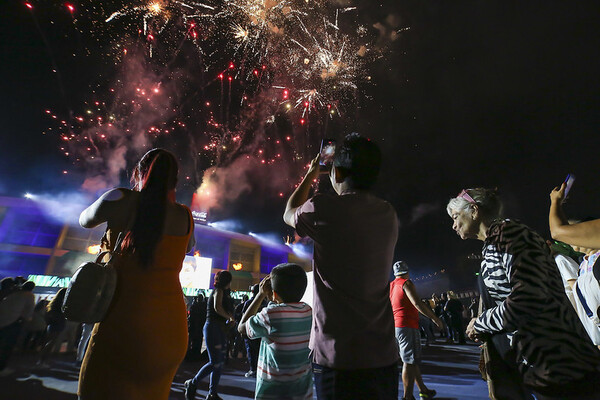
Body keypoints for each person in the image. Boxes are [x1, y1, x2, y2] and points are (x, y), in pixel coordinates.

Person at [448, 187, 600, 399]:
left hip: (559, 361)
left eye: (455, 216)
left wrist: (481, 322)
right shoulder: (495, 242)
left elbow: (528, 298)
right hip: (541, 363)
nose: (453, 225)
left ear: (474, 210)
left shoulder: (509, 234)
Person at [283, 133, 399, 399]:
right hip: (382, 354)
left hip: (337, 357)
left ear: (335, 172)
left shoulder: (322, 208)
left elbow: (289, 213)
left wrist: (311, 175)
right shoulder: (388, 213)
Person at [78, 148, 195, 400]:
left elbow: (84, 220)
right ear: (174, 181)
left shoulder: (119, 198)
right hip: (171, 330)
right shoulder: (185, 215)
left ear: (140, 172)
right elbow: (189, 246)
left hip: (123, 321)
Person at [238, 264, 313, 400]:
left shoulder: (270, 315)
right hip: (302, 393)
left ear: (274, 293)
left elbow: (241, 327)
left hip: (272, 393)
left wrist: (260, 295)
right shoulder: (308, 311)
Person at [389, 261, 443, 400]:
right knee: (409, 362)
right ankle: (407, 397)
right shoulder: (406, 283)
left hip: (398, 326)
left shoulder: (392, 285)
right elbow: (417, 303)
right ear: (407, 271)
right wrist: (434, 318)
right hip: (408, 325)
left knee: (411, 360)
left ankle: (423, 390)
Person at [185, 270, 235, 400]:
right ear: (227, 280)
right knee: (214, 362)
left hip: (219, 328)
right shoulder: (219, 291)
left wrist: (229, 320)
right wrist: (229, 317)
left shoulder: (224, 292)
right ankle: (193, 382)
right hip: (213, 327)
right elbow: (217, 307)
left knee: (218, 362)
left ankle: (212, 393)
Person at [0, 280, 35, 375]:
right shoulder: (29, 296)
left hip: (3, 320)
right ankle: (2, 368)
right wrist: (27, 320)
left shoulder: (14, 293)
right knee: (7, 346)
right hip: (14, 322)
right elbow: (29, 311)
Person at [38, 287, 67, 367]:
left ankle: (42, 360)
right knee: (51, 343)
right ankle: (43, 360)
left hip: (52, 324)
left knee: (48, 341)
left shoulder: (54, 304)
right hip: (59, 323)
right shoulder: (62, 305)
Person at [242, 284, 266, 378]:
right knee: (260, 351)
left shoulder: (249, 303)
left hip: (250, 330)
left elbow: (244, 317)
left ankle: (253, 370)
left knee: (251, 351)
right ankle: (260, 369)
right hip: (261, 330)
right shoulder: (265, 303)